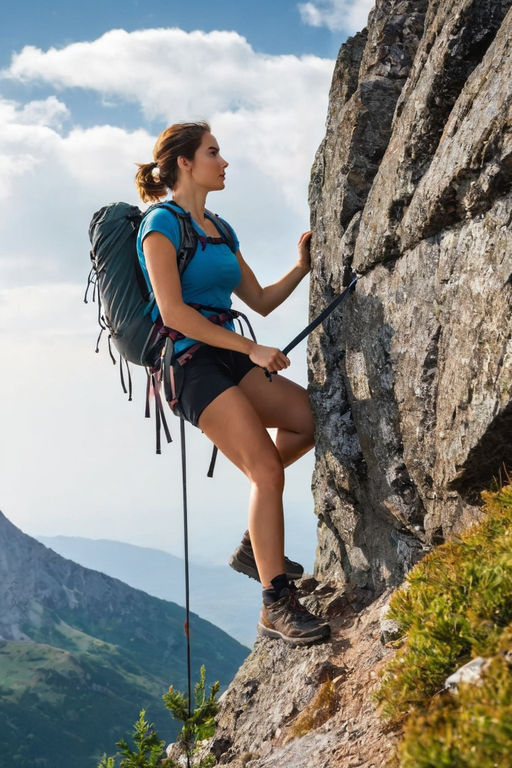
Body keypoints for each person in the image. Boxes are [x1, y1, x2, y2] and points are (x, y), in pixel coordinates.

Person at [135, 121, 330, 646]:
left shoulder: (220, 228)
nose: (224, 162)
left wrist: (301, 268)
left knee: (311, 421)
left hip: (227, 354)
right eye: (213, 153)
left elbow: (260, 300)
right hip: (190, 365)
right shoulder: (160, 225)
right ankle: (275, 602)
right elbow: (173, 312)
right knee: (267, 469)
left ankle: (254, 544)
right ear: (183, 163)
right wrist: (252, 349)